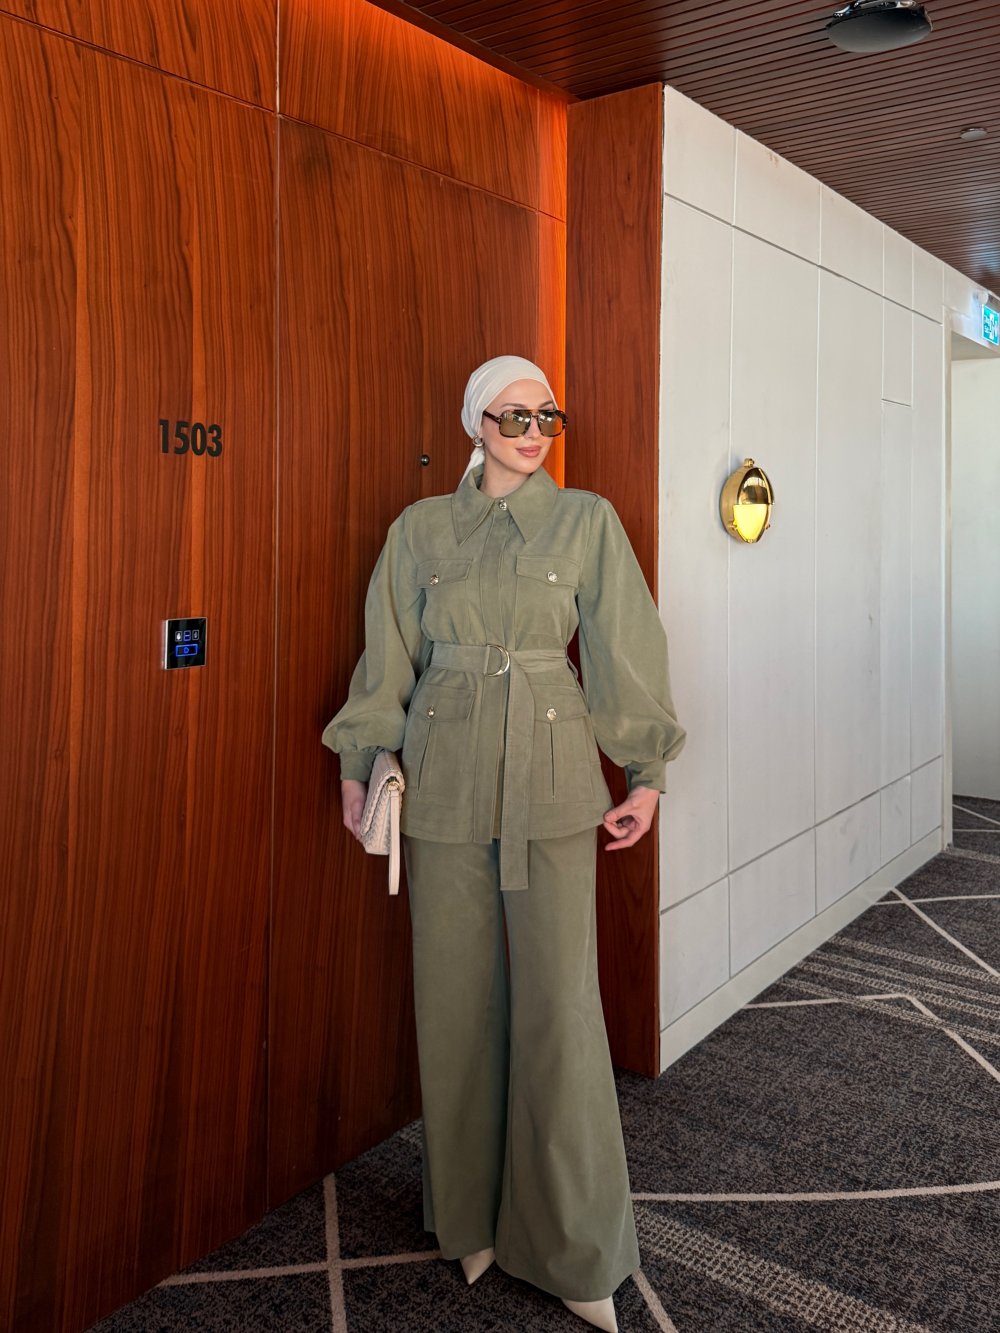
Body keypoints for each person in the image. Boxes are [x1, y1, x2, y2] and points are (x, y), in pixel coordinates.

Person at [322, 355, 687, 1332]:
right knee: (453, 1006)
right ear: (475, 423)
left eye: (546, 417)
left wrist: (645, 773)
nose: (533, 433)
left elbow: (624, 650)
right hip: (440, 785)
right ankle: (469, 1217)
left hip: (553, 785)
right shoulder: (419, 529)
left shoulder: (587, 522)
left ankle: (574, 1245)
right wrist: (358, 763)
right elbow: (387, 655)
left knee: (561, 1010)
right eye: (513, 416)